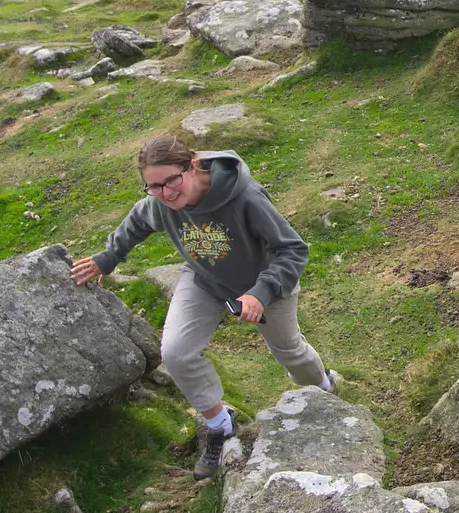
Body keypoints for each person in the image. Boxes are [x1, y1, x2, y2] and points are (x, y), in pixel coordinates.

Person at [71, 136, 334, 480]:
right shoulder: (160, 202)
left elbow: (292, 250)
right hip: (205, 279)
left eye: (171, 181)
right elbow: (138, 219)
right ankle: (220, 425)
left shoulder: (245, 197)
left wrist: (260, 292)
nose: (165, 193)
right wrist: (108, 258)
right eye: (153, 186)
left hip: (267, 283)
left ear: (191, 165)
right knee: (177, 352)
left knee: (290, 352)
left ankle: (326, 390)